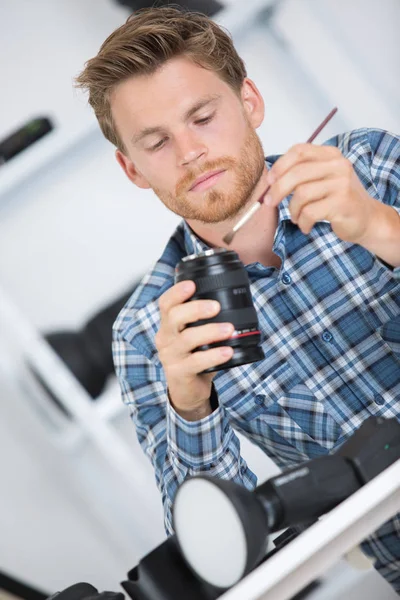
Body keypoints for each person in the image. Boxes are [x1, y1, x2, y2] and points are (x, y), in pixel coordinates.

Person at [76, 6, 400, 593]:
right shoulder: (149, 333)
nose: (190, 152)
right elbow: (217, 557)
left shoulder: (371, 169)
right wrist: (191, 404)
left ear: (248, 101)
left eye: (202, 116)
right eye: (156, 142)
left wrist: (380, 228)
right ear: (133, 170)